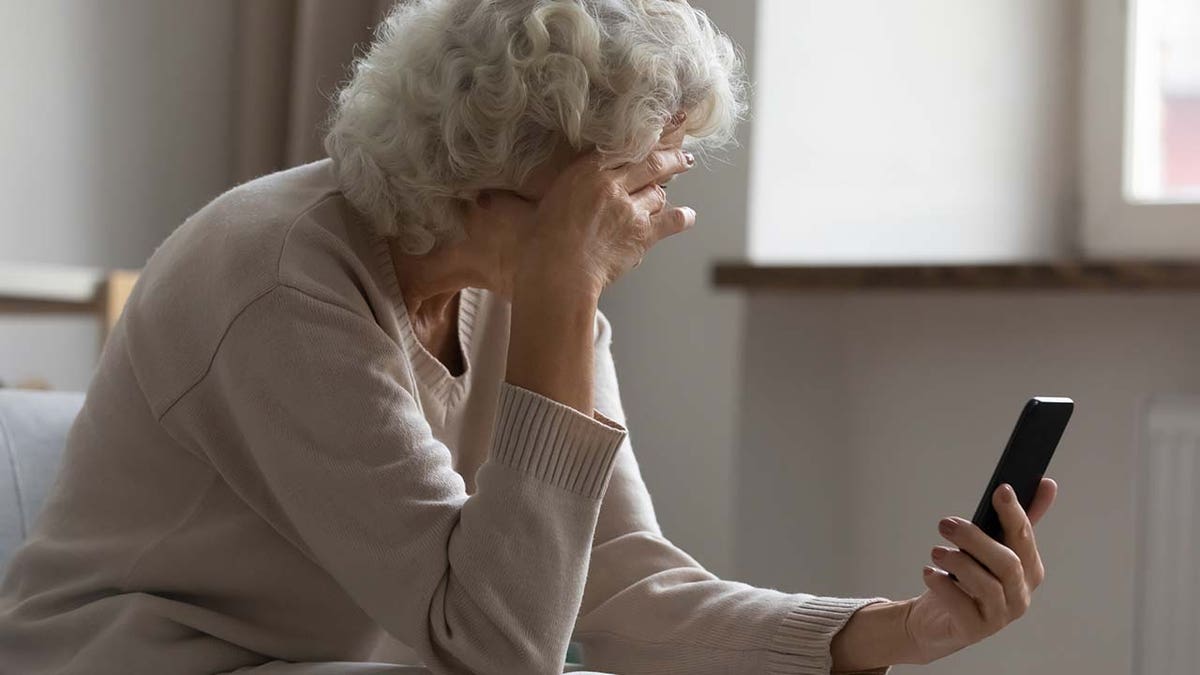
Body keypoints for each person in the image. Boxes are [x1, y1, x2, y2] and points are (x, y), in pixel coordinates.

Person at [0, 1, 1058, 673]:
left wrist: (894, 632)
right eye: (636, 178)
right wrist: (562, 294)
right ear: (504, 167)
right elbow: (500, 649)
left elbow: (617, 584)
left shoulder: (526, 284)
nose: (657, 214)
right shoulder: (278, 278)